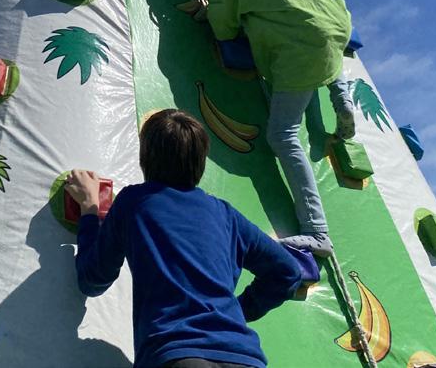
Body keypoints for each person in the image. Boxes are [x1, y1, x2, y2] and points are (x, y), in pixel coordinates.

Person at [65, 109, 301, 368]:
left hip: (177, 353)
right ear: (200, 162)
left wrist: (90, 210)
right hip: (244, 358)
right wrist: (236, 312)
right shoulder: (226, 215)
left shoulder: (135, 202)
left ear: (145, 157)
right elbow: (288, 271)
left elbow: (92, 279)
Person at [186, 0, 353, 257]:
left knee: (282, 134)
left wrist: (210, 11)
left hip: (300, 52)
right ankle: (342, 97)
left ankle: (317, 231)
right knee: (322, 42)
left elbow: (224, 29)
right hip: (335, 20)